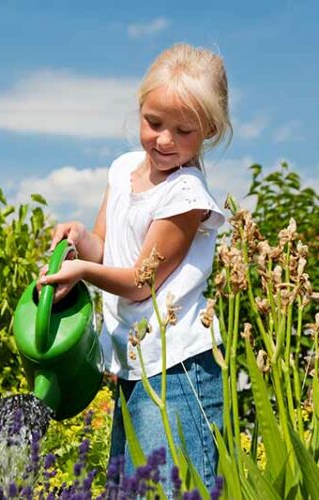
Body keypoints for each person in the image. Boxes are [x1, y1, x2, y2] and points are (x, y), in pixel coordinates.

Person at [38, 43, 232, 493]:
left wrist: (83, 271)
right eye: (154, 122)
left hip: (179, 368)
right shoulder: (123, 169)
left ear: (210, 130)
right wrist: (78, 240)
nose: (164, 140)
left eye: (183, 131)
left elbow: (138, 284)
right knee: (131, 488)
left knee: (176, 489)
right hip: (135, 364)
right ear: (140, 109)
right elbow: (106, 247)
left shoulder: (186, 196)